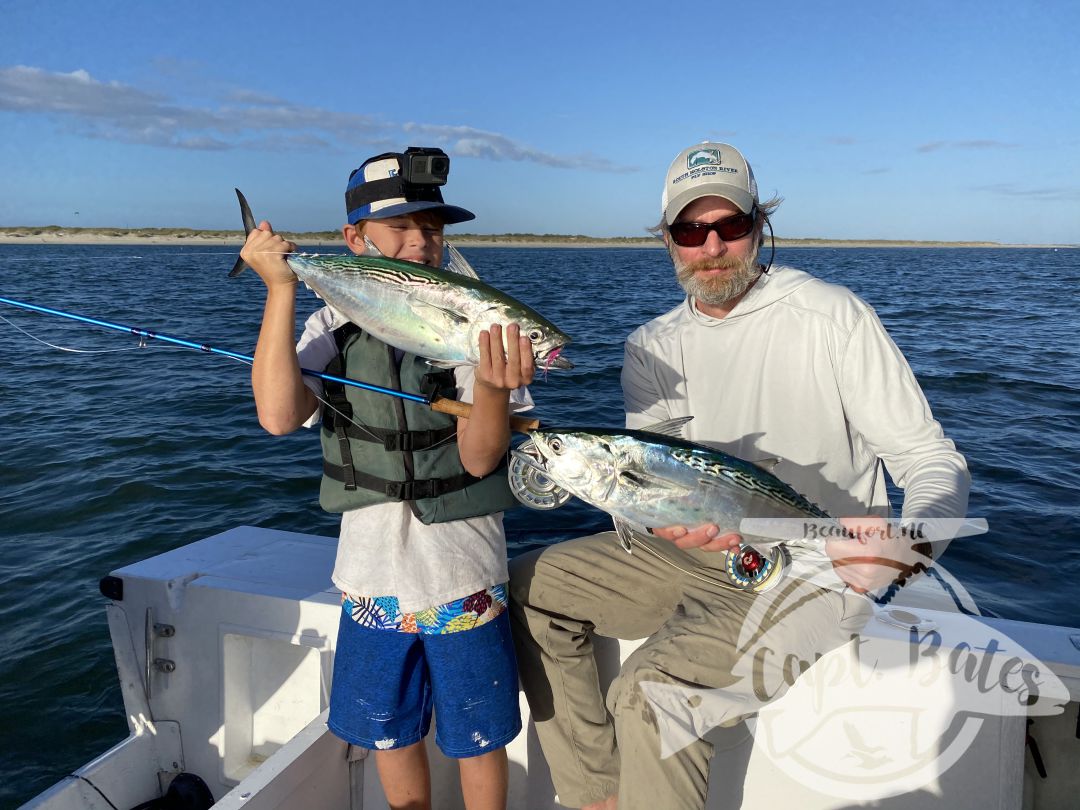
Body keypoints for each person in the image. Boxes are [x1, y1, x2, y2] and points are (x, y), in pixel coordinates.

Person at [509, 141, 970, 810]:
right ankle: (598, 794)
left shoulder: (832, 317)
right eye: (692, 230)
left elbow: (932, 461)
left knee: (649, 697)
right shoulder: (651, 346)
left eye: (732, 225)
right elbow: (644, 484)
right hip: (697, 555)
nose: (713, 246)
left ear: (761, 226)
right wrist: (664, 524)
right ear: (667, 239)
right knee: (525, 589)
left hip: (814, 572)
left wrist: (906, 548)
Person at [240, 148, 531, 810]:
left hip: (464, 569)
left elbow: (482, 458)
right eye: (399, 226)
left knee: (478, 736)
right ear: (355, 239)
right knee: (389, 730)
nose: (420, 241)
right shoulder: (329, 324)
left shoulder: (473, 319)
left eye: (431, 228)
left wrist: (489, 381)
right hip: (370, 574)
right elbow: (278, 414)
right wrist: (282, 289)